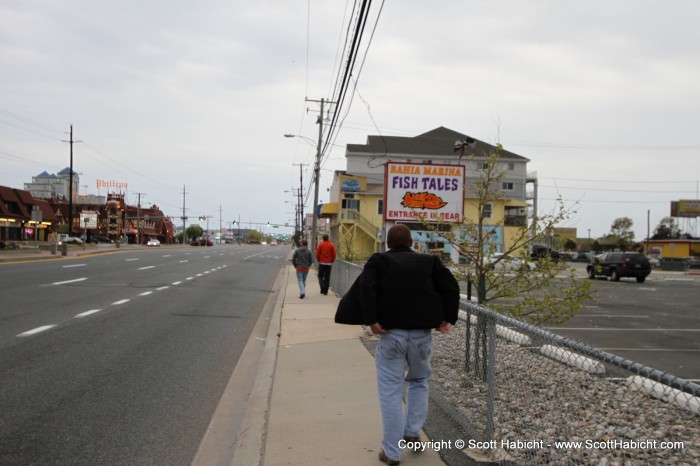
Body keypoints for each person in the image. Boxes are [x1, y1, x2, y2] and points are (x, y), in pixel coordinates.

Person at [359, 224, 460, 465]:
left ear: (388, 243)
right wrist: (449, 318)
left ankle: (391, 452)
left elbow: (366, 289)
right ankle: (412, 432)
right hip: (421, 336)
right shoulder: (430, 262)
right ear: (412, 242)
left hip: (391, 335)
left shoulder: (379, 261)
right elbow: (451, 288)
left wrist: (371, 320)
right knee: (419, 382)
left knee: (391, 392)